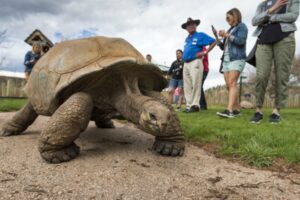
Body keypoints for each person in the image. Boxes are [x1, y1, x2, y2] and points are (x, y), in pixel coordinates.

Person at [250, 0, 299, 124]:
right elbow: (254, 21)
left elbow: (293, 16)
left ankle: (276, 111)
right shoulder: (263, 4)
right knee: (261, 75)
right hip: (264, 39)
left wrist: (271, 17)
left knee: (282, 75)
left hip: (285, 38)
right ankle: (258, 110)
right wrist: (272, 9)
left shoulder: (292, 1)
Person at [216, 8, 248, 118]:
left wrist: (227, 35)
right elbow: (223, 47)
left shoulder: (241, 26)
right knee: (229, 86)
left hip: (237, 58)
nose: (226, 19)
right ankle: (237, 109)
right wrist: (218, 39)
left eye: (228, 17)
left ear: (235, 16)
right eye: (225, 18)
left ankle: (229, 110)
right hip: (226, 60)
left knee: (232, 83)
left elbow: (240, 41)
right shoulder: (230, 30)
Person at [181, 17, 216, 113]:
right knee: (187, 85)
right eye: (189, 25)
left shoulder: (200, 35)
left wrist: (205, 52)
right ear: (186, 28)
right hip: (186, 63)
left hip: (195, 61)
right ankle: (189, 106)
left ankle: (195, 105)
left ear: (196, 25)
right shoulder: (187, 39)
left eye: (193, 24)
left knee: (196, 83)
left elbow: (214, 42)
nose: (191, 26)